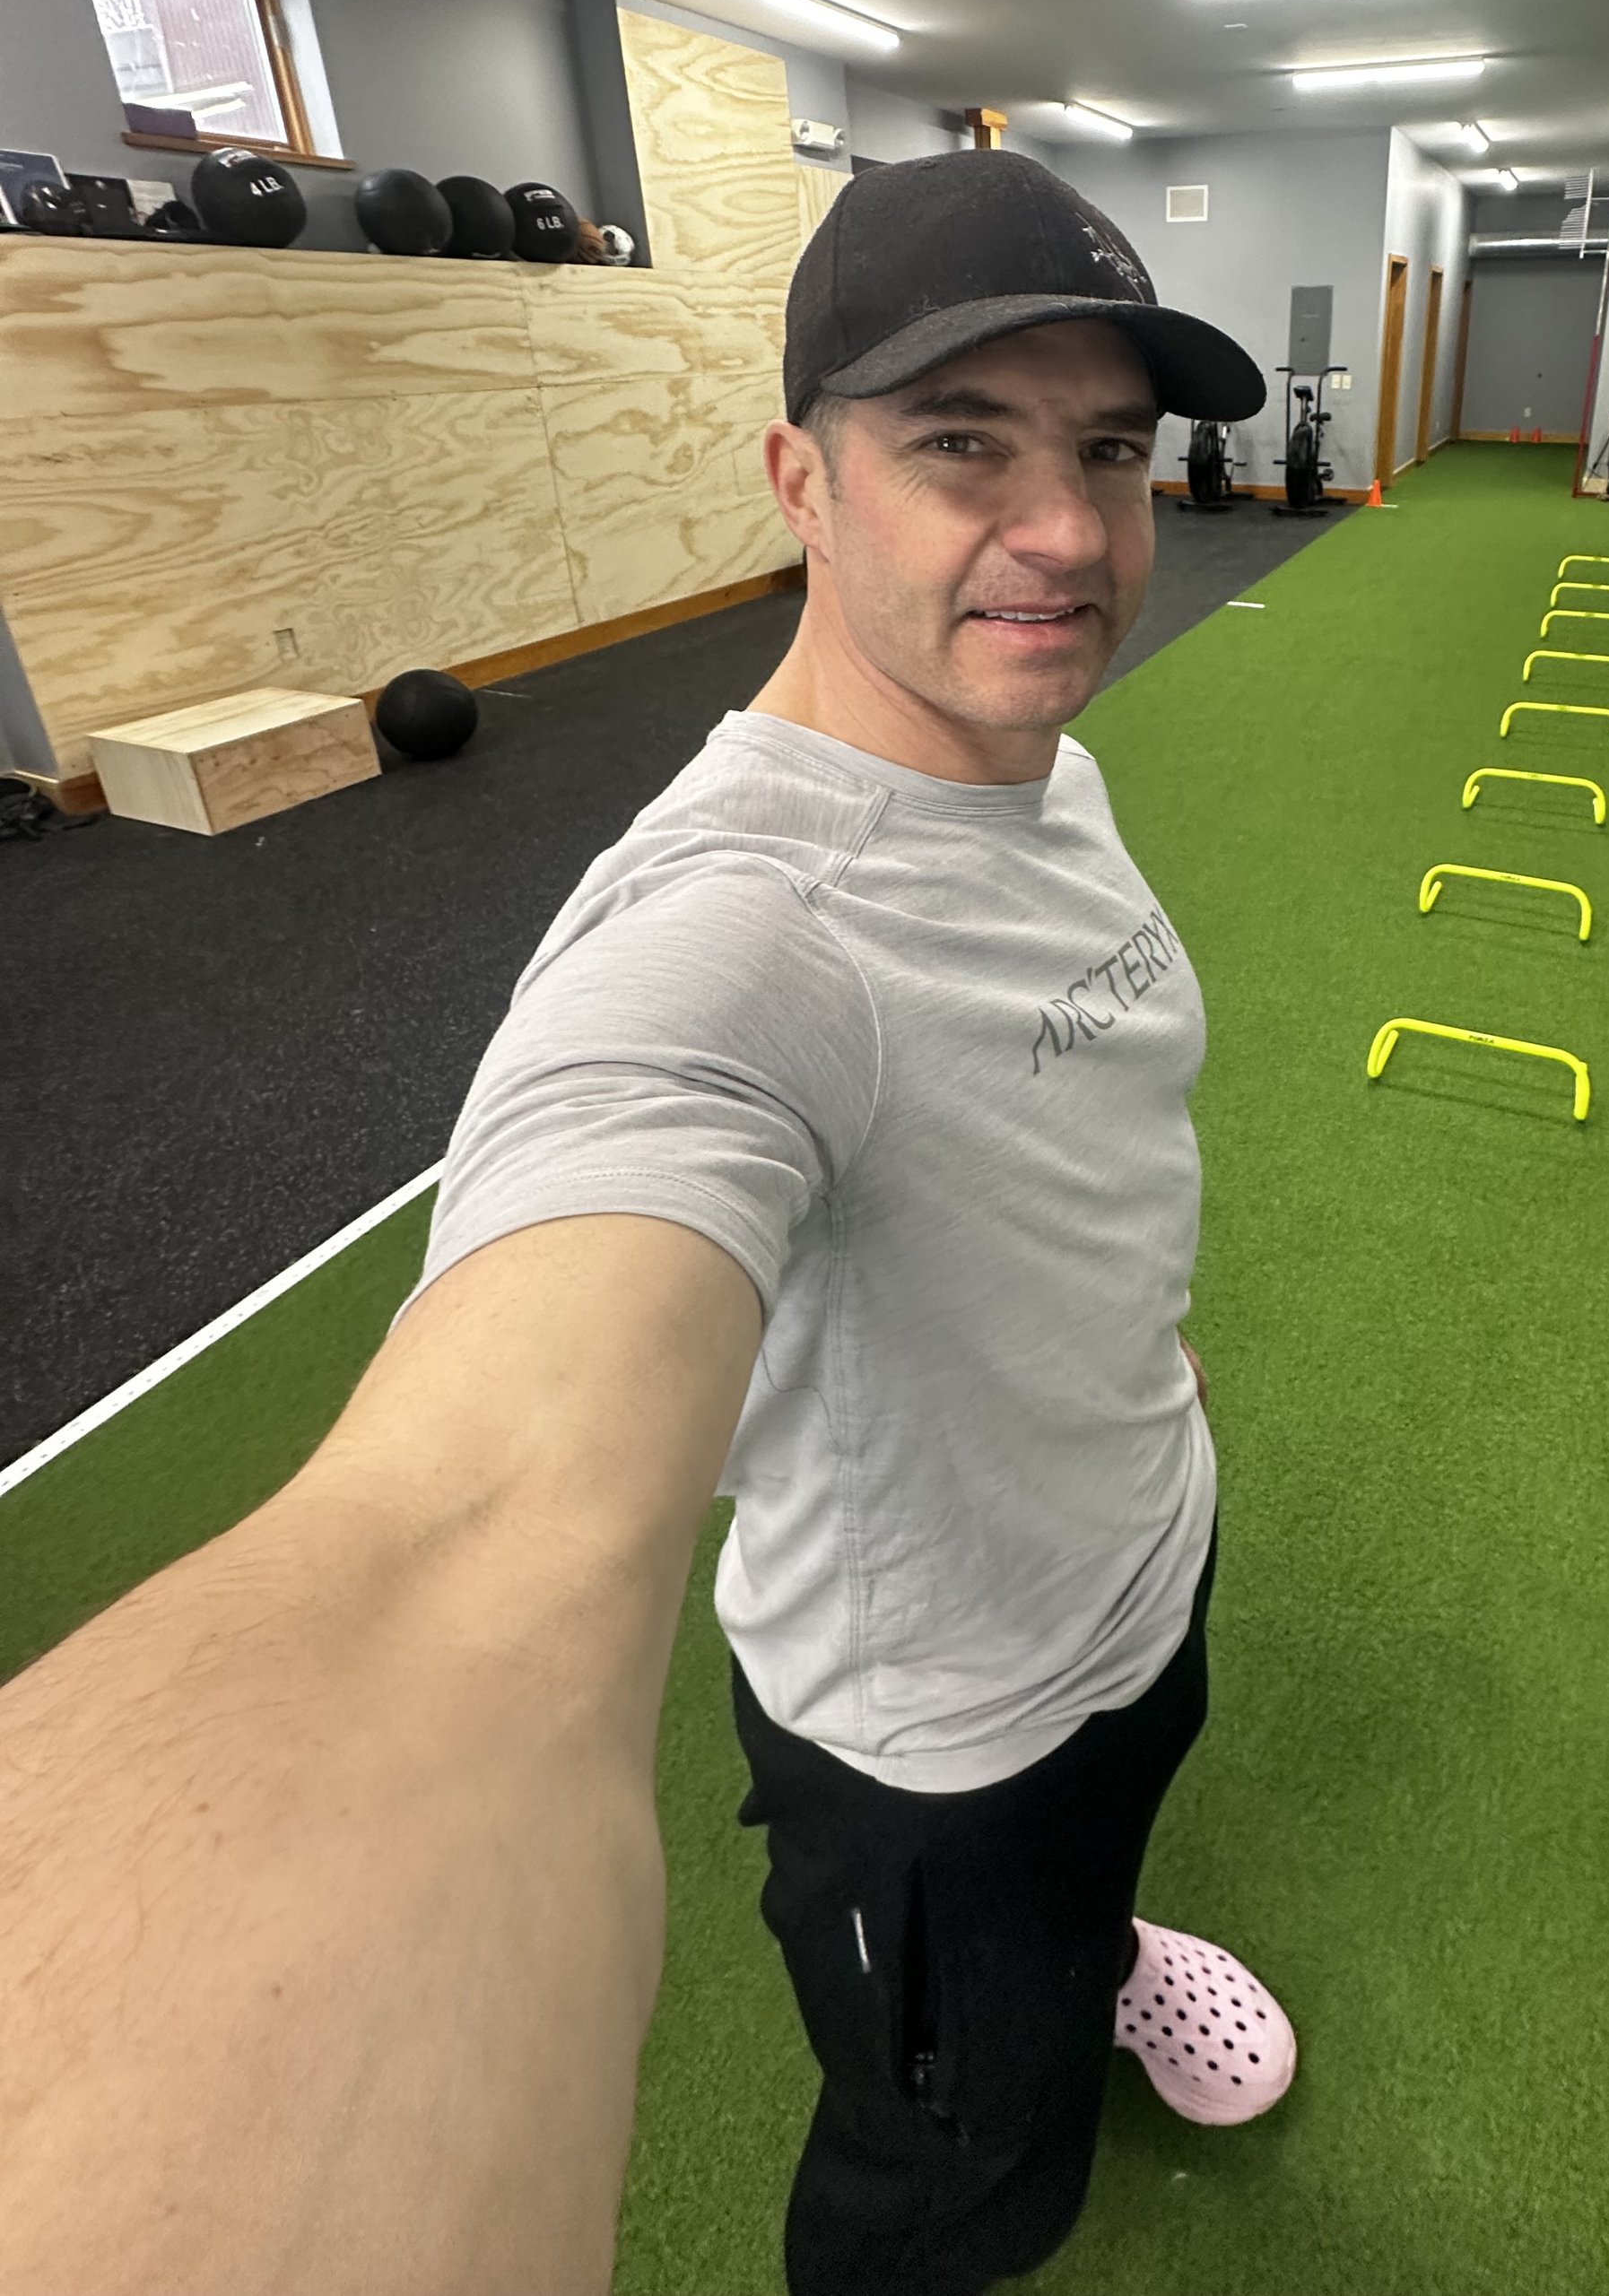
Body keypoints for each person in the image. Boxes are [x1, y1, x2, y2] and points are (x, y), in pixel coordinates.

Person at [0, 148, 1291, 2296]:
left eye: (1104, 449)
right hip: (939, 1743)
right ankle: (1009, 2015)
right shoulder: (733, 937)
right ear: (801, 480)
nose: (1066, 530)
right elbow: (466, 1527)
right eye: (960, 443)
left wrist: (1123, 1350)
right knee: (944, 2179)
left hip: (1133, 1558)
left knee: (1092, 1848)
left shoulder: (1022, 753)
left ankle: (1090, 1942)